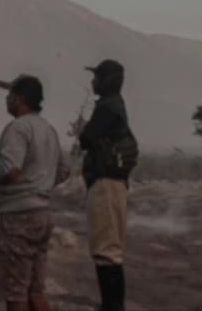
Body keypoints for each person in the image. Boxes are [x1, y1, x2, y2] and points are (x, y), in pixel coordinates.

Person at [0, 75, 69, 311]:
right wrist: (40, 184)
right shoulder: (48, 129)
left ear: (19, 99)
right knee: (36, 291)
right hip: (42, 214)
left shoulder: (18, 127)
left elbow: (9, 168)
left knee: (16, 293)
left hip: (18, 217)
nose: (6, 100)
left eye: (9, 96)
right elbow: (64, 170)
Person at [77, 59, 135, 311]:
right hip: (113, 183)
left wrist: (83, 129)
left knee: (106, 251)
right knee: (110, 249)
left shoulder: (107, 107)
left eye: (96, 77)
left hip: (105, 183)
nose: (92, 82)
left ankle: (111, 307)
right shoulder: (115, 105)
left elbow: (86, 138)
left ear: (106, 80)